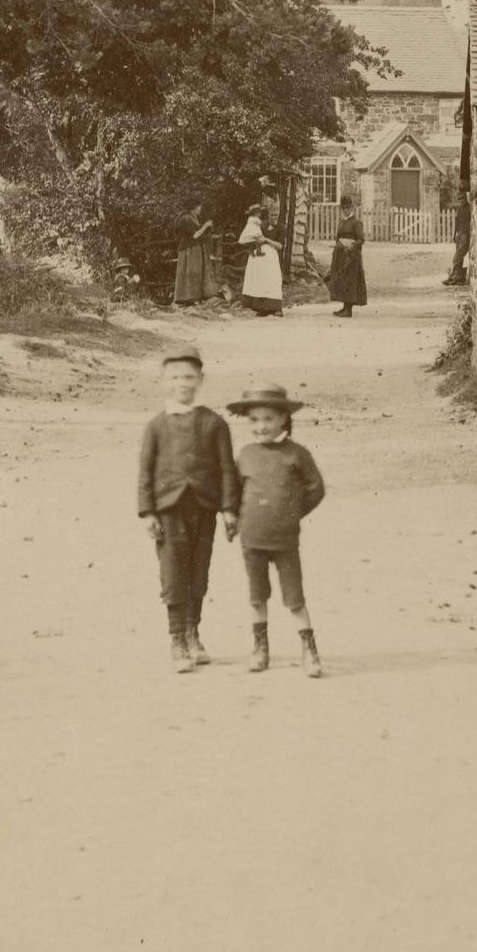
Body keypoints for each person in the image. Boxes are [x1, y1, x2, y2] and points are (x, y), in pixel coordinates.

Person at [136, 348, 240, 672]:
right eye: (175, 377)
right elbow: (145, 471)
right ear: (163, 381)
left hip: (204, 509)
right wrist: (148, 512)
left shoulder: (214, 423)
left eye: (189, 377)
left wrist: (229, 509)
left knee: (198, 571)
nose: (182, 383)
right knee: (172, 572)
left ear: (200, 380)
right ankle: (176, 637)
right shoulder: (156, 426)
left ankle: (193, 631)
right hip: (168, 510)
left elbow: (226, 468)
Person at [227, 383, 327, 677]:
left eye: (269, 419)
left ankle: (309, 650)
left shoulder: (297, 454)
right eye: (254, 420)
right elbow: (233, 492)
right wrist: (234, 518)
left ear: (284, 418)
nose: (261, 426)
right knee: (257, 597)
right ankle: (260, 648)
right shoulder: (245, 454)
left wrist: (292, 513)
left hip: (285, 540)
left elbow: (316, 489)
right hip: (252, 539)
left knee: (294, 598)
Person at [172, 210, 224, 310]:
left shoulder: (193, 217)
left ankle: (196, 298)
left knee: (197, 272)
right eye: (199, 207)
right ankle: (189, 298)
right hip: (189, 250)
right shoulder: (186, 218)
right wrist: (205, 225)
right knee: (191, 272)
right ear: (193, 207)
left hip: (195, 248)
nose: (200, 209)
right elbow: (195, 235)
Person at [236, 213, 286, 317]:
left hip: (271, 257)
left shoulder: (280, 228)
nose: (274, 218)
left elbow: (280, 246)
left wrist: (266, 240)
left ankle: (276, 308)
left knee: (272, 280)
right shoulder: (261, 226)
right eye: (272, 215)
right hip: (260, 258)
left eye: (276, 215)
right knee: (260, 281)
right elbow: (252, 237)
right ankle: (261, 308)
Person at [325, 196, 367, 318]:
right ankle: (344, 307)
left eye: (348, 208)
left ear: (352, 208)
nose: (346, 210)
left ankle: (348, 310)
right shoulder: (341, 222)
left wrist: (352, 245)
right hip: (340, 255)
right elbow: (338, 238)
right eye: (343, 208)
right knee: (342, 281)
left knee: (350, 281)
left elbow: (361, 240)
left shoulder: (356, 222)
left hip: (351, 256)